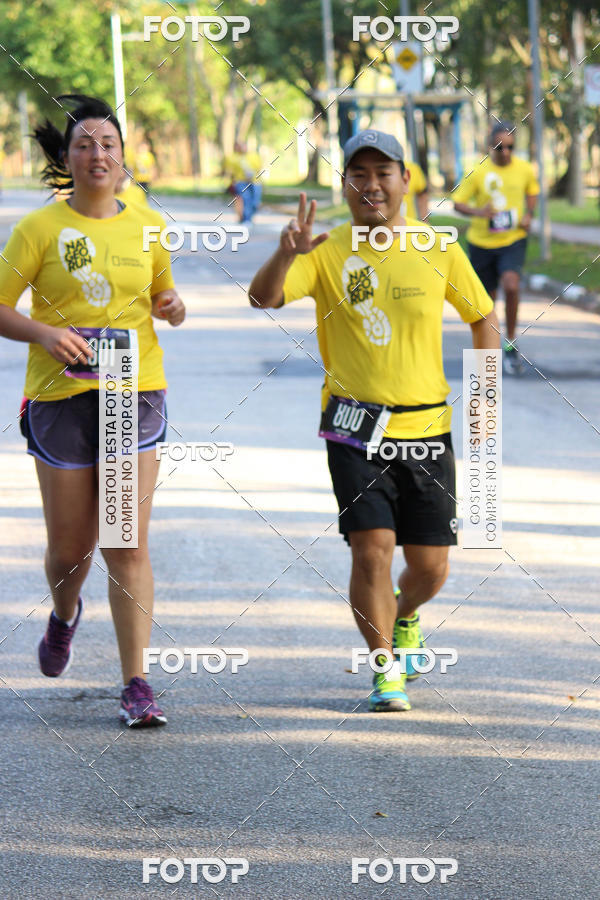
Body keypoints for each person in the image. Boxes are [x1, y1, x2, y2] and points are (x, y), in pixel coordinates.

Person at [248, 130, 499, 712]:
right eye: (358, 174)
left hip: (427, 429)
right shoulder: (326, 249)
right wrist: (287, 253)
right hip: (353, 427)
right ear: (345, 184)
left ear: (405, 180)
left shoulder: (437, 248)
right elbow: (263, 298)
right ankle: (385, 668)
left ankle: (405, 615)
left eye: (383, 172)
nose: (371, 185)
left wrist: (485, 400)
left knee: (430, 566)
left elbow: (483, 318)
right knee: (372, 551)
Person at [0, 95, 185, 728]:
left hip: (132, 393)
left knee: (124, 540)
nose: (97, 154)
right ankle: (64, 613)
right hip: (60, 399)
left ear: (124, 158)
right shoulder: (39, 230)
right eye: (84, 144)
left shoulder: (148, 226)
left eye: (108, 144)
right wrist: (44, 334)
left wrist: (172, 306)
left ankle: (136, 682)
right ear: (68, 157)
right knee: (70, 550)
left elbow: (163, 295)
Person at [453, 121, 539, 374]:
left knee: (511, 285)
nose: (506, 152)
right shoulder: (477, 171)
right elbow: (458, 203)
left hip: (512, 240)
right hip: (481, 244)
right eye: (500, 147)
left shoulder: (524, 169)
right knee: (487, 303)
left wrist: (528, 214)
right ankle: (489, 354)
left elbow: (532, 191)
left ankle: (510, 342)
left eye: (511, 147)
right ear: (490, 146)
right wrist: (479, 211)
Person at [223, 141, 262, 223]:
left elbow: (259, 168)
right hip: (241, 182)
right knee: (246, 199)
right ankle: (246, 219)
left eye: (243, 146)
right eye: (239, 146)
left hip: (255, 182)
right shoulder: (233, 158)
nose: (242, 148)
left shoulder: (254, 156)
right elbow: (230, 172)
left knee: (255, 202)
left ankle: (249, 216)